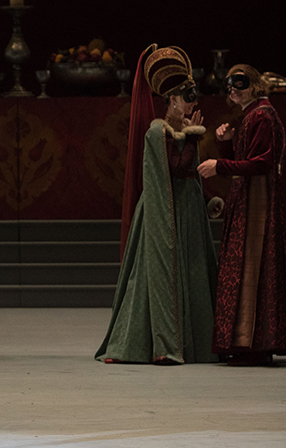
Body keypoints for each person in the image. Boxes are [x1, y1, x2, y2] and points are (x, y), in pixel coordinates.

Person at [95, 45, 219, 365]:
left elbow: (190, 177)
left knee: (191, 274)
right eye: (187, 96)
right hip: (162, 217)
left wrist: (208, 200)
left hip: (188, 217)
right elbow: (176, 169)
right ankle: (153, 343)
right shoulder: (157, 130)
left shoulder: (178, 131)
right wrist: (192, 135)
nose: (193, 102)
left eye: (194, 95)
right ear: (173, 100)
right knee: (156, 277)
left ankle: (197, 343)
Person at [198, 64, 286, 366]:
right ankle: (246, 343)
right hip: (249, 199)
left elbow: (261, 163)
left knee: (253, 264)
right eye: (230, 84)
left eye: (240, 82)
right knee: (246, 265)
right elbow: (245, 163)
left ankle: (255, 345)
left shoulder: (262, 115)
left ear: (255, 84)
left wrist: (219, 165)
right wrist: (225, 146)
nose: (233, 89)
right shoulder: (252, 115)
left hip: (258, 203)